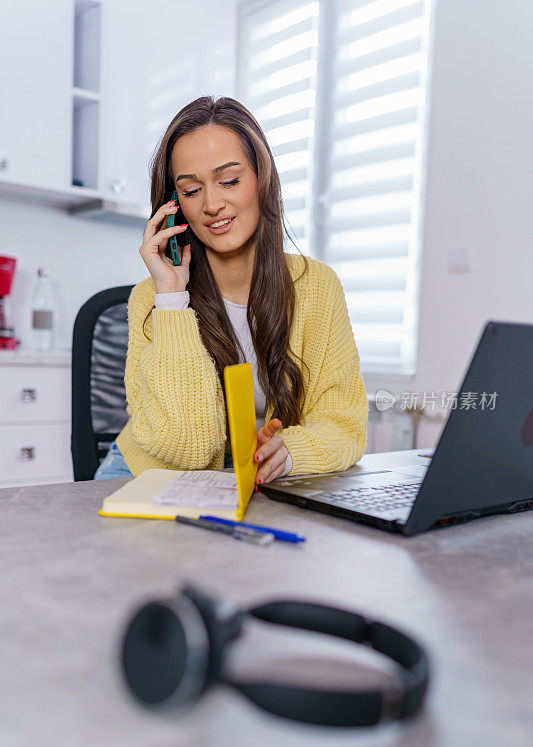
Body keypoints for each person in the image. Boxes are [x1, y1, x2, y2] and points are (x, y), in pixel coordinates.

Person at [94, 95, 368, 487]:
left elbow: (345, 424)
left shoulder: (317, 286)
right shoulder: (152, 299)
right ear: (174, 206)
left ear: (262, 178)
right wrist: (172, 299)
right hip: (150, 472)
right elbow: (188, 448)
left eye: (229, 181)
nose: (212, 204)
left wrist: (293, 450)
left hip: (256, 477)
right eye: (191, 191)